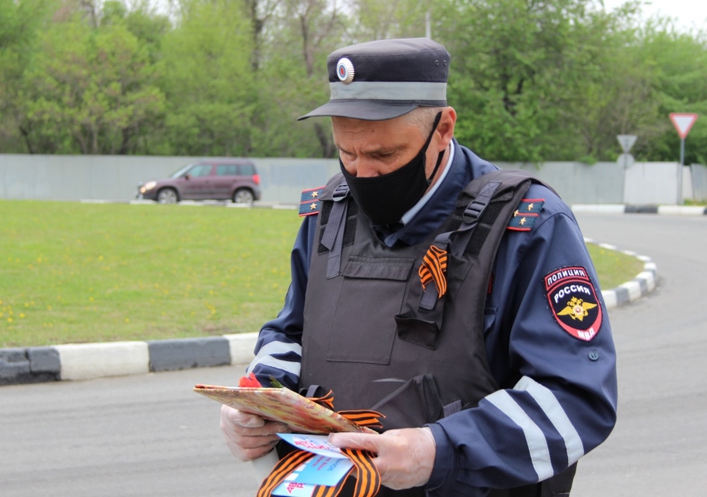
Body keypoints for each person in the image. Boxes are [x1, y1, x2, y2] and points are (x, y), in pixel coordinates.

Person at [220, 38, 617, 497]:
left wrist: (437, 451)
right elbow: (291, 334)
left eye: (384, 155)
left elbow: (577, 400)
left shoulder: (527, 226)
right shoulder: (330, 214)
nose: (363, 174)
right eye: (347, 153)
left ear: (443, 128)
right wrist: (258, 403)